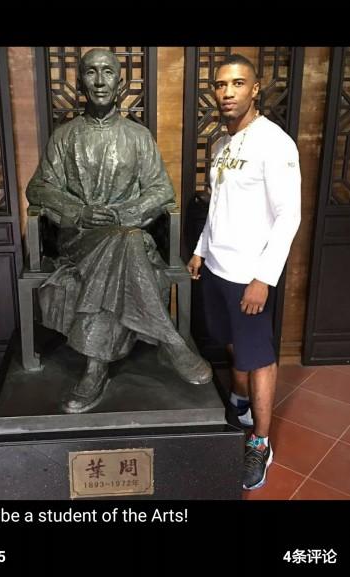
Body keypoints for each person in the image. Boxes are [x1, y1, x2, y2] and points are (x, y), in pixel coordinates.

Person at [27, 48, 212, 414]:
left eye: (108, 72)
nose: (99, 81)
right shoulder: (65, 137)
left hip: (128, 234)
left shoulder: (138, 137)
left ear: (120, 83)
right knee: (126, 243)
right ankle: (170, 340)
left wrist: (125, 213)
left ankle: (95, 370)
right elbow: (38, 188)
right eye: (91, 72)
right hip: (81, 240)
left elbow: (161, 190)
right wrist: (80, 211)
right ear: (81, 83)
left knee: (126, 240)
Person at [188, 54, 301, 490]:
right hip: (217, 268)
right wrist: (200, 251)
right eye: (220, 85)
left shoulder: (275, 143)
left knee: (259, 358)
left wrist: (263, 278)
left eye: (237, 83)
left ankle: (261, 443)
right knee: (232, 342)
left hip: (249, 274)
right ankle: (240, 400)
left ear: (255, 89)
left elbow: (288, 216)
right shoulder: (221, 145)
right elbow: (217, 207)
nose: (227, 92)